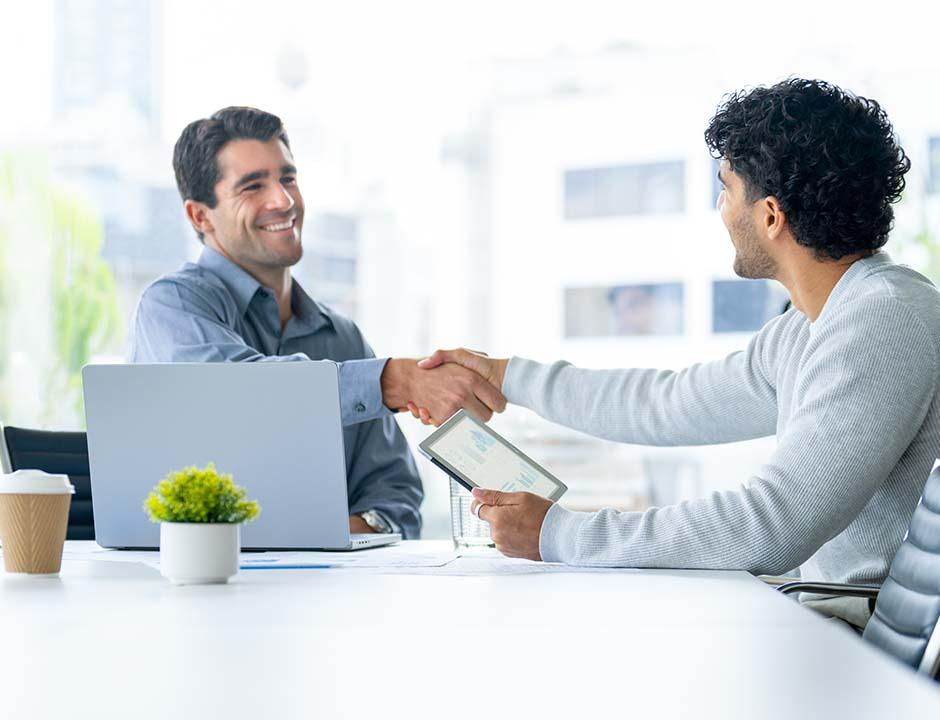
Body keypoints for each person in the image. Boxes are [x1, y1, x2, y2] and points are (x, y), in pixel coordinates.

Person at [418, 78, 940, 627]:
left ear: (769, 215)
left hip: (857, 646)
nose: (720, 209)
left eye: (726, 188)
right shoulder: (811, 326)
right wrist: (505, 377)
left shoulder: (884, 317)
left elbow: (769, 527)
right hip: (817, 619)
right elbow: (664, 403)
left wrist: (561, 534)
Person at [130, 106, 506, 539]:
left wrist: (336, 536)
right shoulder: (172, 307)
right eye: (253, 186)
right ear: (201, 216)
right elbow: (232, 395)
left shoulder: (342, 338)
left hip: (329, 593)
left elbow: (396, 493)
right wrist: (395, 381)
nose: (284, 200)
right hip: (204, 590)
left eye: (287, 178)